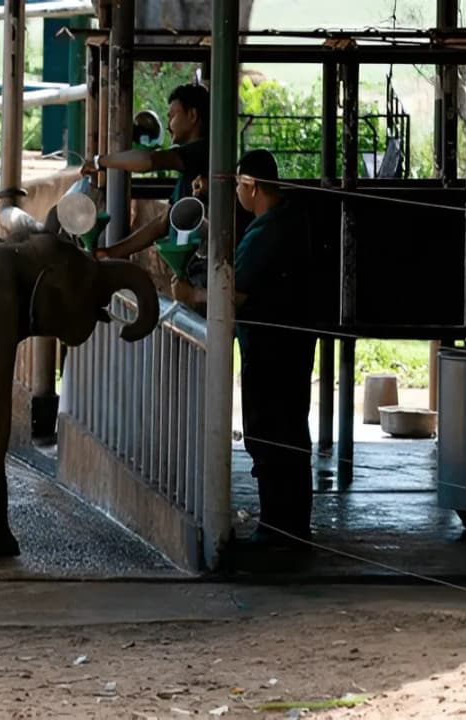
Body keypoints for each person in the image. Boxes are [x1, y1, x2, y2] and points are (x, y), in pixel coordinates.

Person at [171, 149, 317, 546]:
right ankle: (291, 525)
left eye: (238, 184)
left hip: (270, 351)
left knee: (268, 435)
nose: (236, 191)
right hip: (291, 346)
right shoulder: (287, 220)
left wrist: (191, 293)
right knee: (290, 433)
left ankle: (278, 527)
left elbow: (233, 293)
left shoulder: (268, 233)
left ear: (251, 186)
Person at [79, 83, 210, 280]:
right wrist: (111, 253)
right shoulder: (189, 173)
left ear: (192, 116)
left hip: (202, 266)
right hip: (190, 269)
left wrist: (101, 161)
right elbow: (161, 224)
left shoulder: (200, 152)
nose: (167, 124)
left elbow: (149, 160)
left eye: (172, 115)